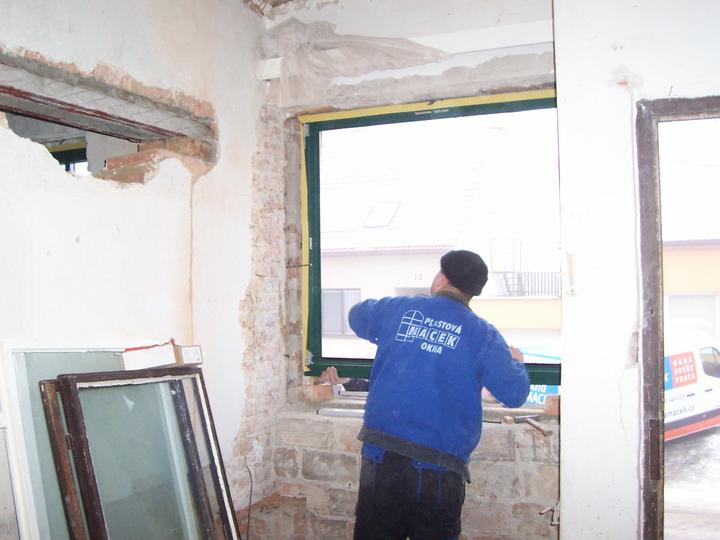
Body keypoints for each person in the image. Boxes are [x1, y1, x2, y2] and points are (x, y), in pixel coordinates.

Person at [349, 249, 529, 540]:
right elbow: (515, 393)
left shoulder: (400, 309)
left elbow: (356, 316)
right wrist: (516, 361)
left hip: (383, 458)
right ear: (473, 291)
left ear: (441, 279)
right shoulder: (482, 334)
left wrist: (401, 322)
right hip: (439, 472)